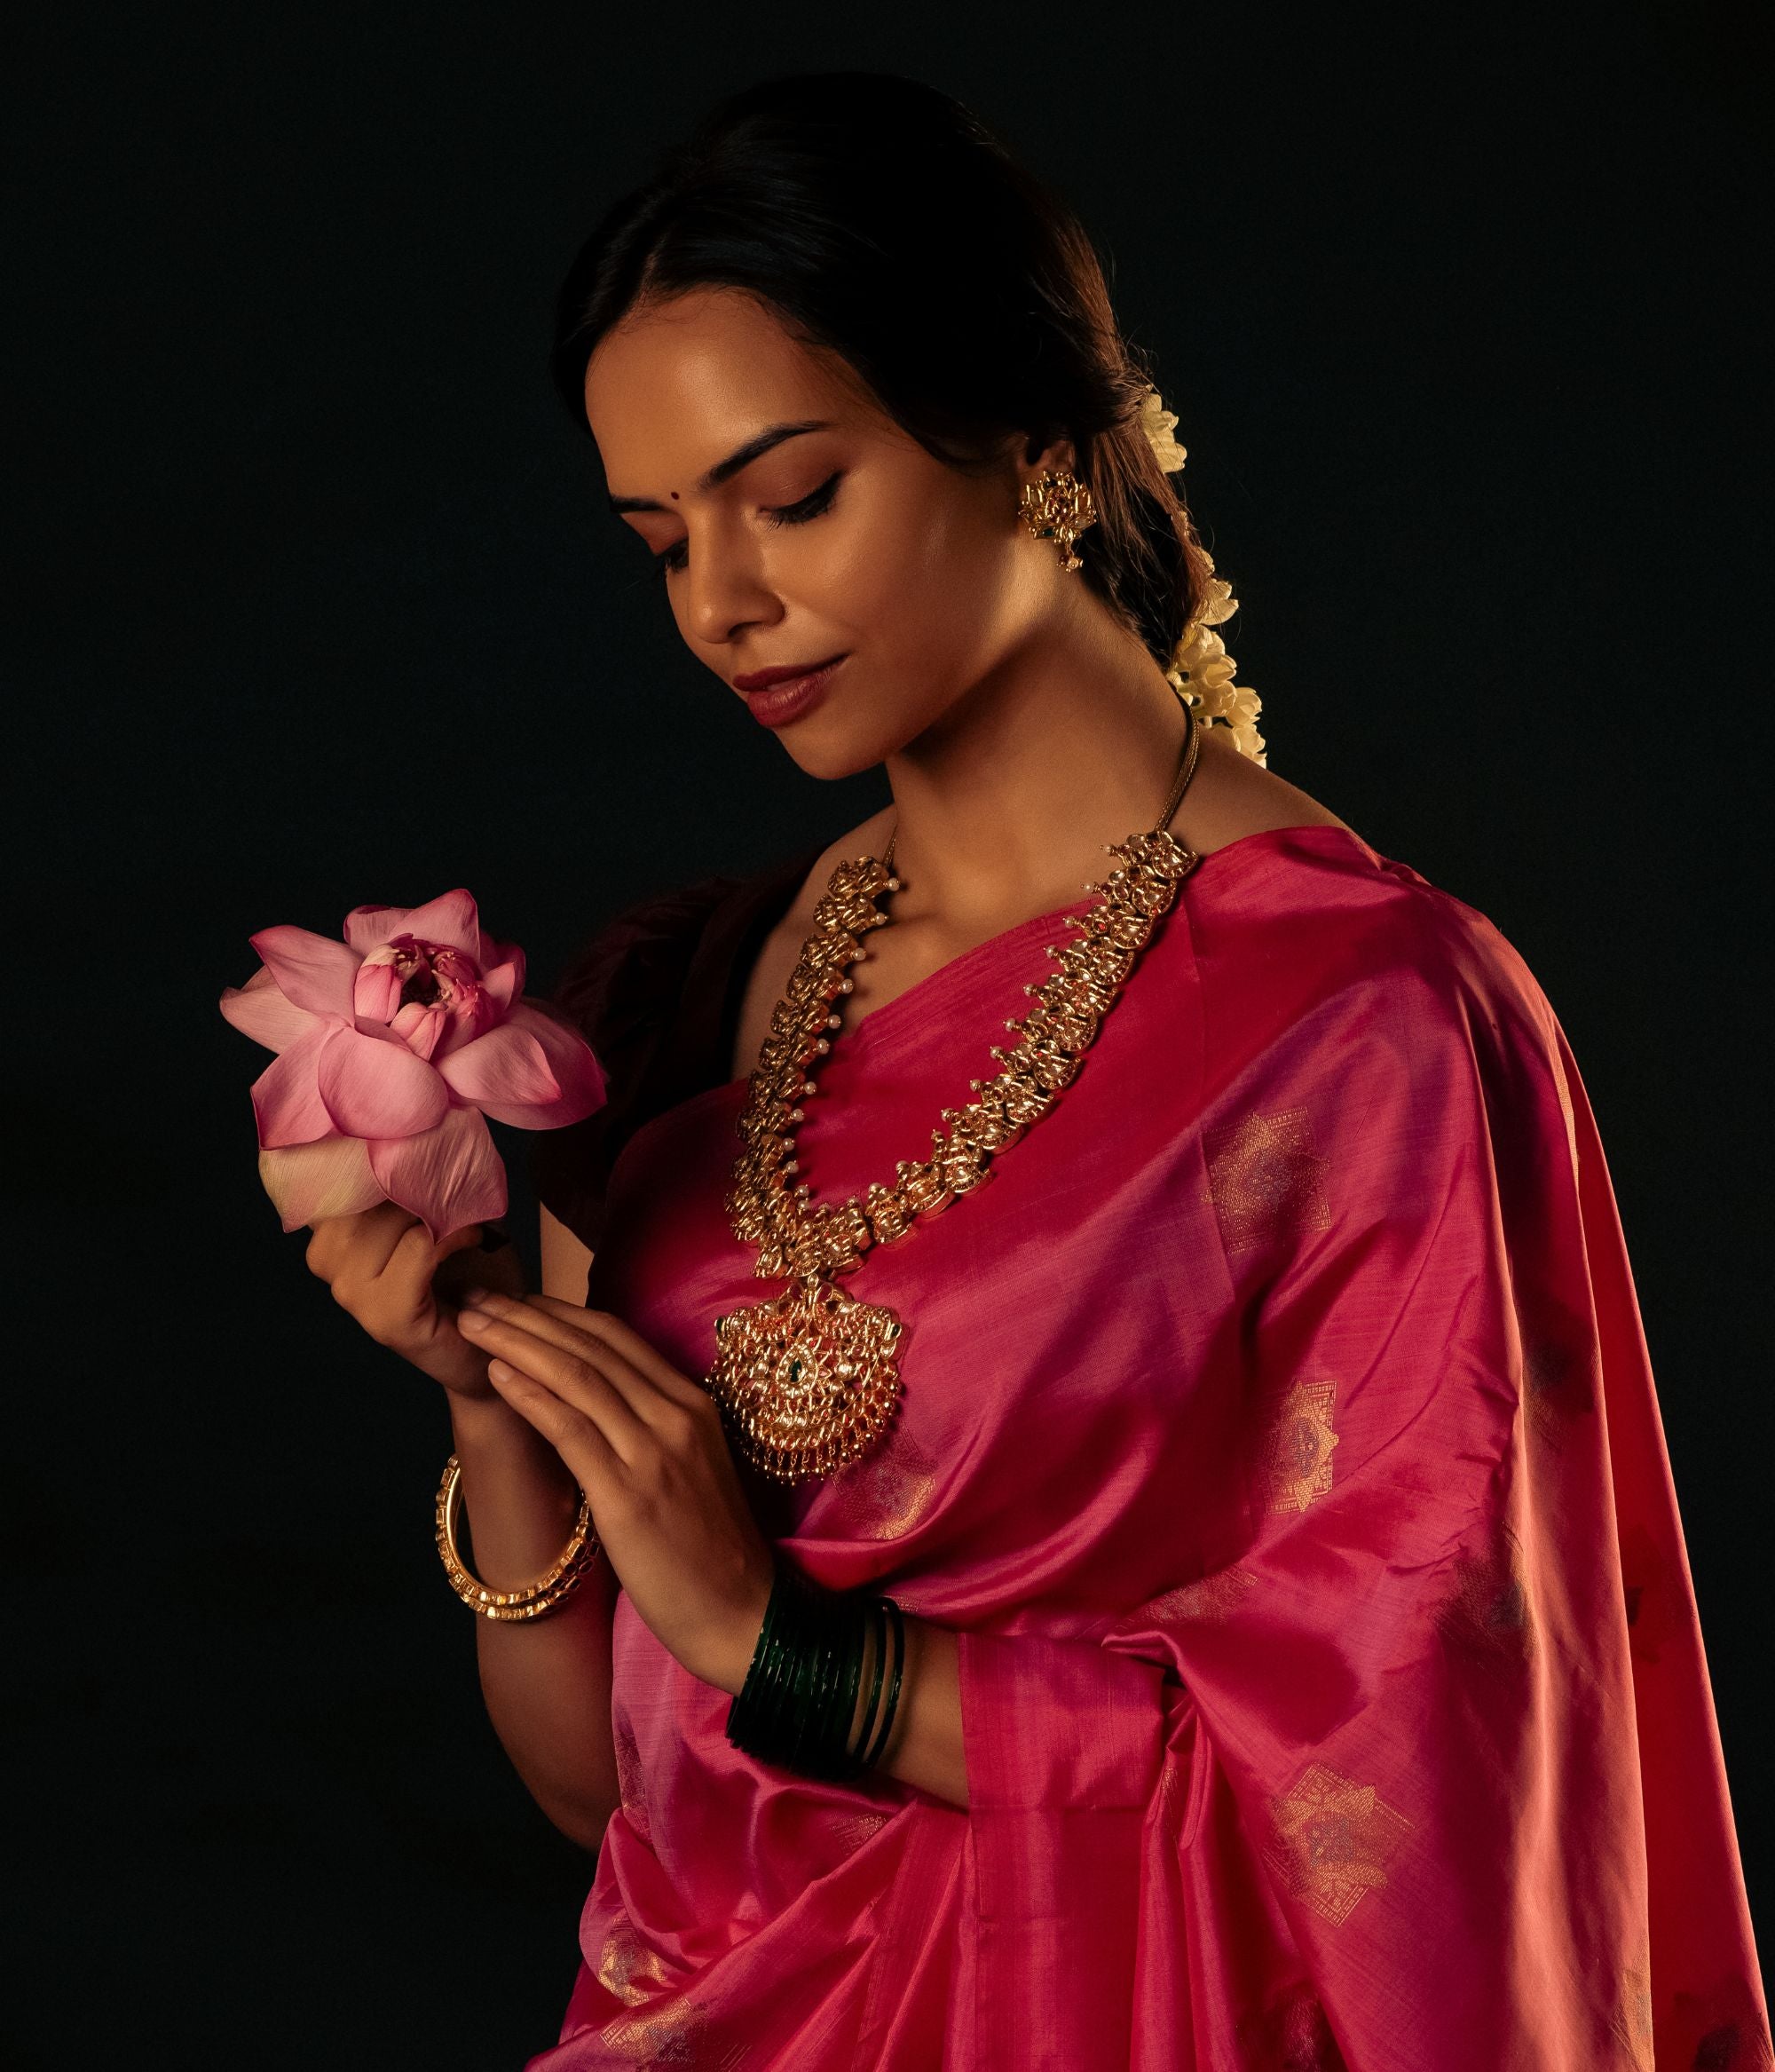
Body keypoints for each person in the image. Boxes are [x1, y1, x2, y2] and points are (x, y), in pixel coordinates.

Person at [304, 70, 1765, 2071]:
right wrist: (487, 1398)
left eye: (792, 495)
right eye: (660, 542)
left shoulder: (1362, 1021)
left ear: (1032, 445)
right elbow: (609, 1798)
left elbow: (1407, 1797)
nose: (725, 604)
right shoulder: (692, 1003)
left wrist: (786, 1645)